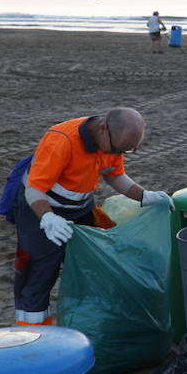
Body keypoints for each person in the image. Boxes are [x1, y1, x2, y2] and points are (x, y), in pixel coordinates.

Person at [13, 108, 172, 326]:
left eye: (125, 152)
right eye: (117, 149)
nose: (118, 155)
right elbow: (34, 190)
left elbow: (115, 175)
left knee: (94, 266)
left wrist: (145, 196)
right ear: (103, 128)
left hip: (79, 208)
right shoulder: (62, 140)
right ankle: (33, 338)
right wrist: (48, 219)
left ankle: (89, 326)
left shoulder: (112, 143)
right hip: (39, 209)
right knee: (38, 276)